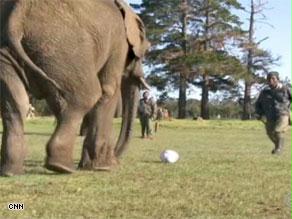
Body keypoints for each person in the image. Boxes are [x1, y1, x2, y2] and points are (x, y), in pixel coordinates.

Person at [255, 71, 292, 155]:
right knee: (270, 133)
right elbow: (258, 104)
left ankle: (279, 149)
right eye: (269, 79)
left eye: (273, 78)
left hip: (283, 114)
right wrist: (258, 113)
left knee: (277, 131)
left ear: (278, 79)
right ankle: (278, 146)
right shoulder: (264, 92)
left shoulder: (286, 89)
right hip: (270, 115)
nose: (271, 80)